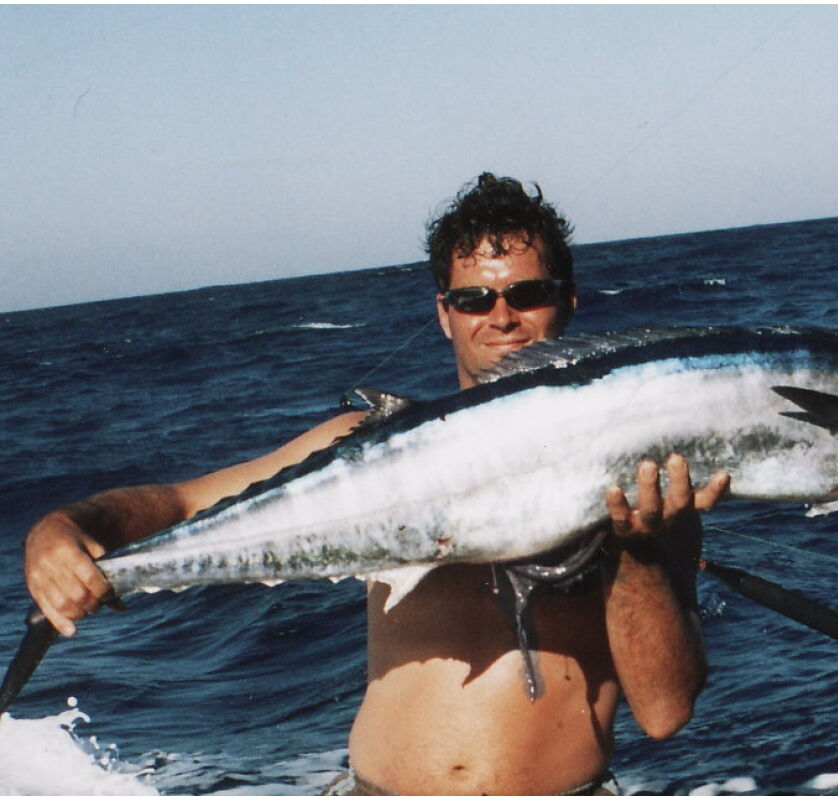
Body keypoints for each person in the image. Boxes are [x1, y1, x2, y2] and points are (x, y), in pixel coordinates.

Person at [23, 173, 730, 795]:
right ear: (444, 313)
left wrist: (638, 554)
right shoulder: (363, 449)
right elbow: (183, 503)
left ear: (567, 301)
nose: (502, 317)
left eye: (528, 293)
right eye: (474, 298)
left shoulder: (646, 479)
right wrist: (64, 529)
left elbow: (665, 713)